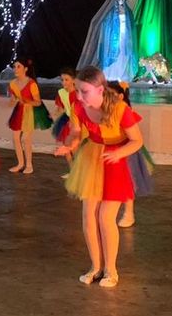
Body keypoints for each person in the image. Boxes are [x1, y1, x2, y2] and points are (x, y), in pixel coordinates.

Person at [55, 66, 145, 288]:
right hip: (92, 158)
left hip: (115, 160)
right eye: (77, 90)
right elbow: (76, 133)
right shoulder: (79, 107)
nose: (79, 96)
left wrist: (118, 153)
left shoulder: (119, 109)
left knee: (105, 217)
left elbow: (137, 140)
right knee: (88, 217)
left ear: (100, 90)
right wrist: (69, 146)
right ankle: (95, 266)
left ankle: (110, 270)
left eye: (84, 91)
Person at [105, 81, 154, 228]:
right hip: (111, 150)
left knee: (128, 181)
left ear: (120, 96)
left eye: (111, 94)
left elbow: (134, 135)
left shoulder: (124, 110)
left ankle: (128, 213)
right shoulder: (103, 110)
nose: (107, 97)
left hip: (126, 151)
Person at [6, 57, 51, 174]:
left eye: (18, 66)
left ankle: (29, 165)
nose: (15, 69)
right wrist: (10, 101)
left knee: (26, 139)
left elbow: (38, 102)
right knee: (15, 138)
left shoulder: (31, 83)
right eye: (14, 67)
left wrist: (26, 101)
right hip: (19, 111)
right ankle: (20, 163)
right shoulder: (12, 84)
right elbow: (13, 100)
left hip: (30, 112)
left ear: (25, 69)